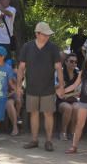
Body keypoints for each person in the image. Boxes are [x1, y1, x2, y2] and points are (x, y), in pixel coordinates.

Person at [18, 21, 65, 152]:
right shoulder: (27, 47)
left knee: (48, 114)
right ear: (37, 34)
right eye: (45, 34)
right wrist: (18, 86)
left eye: (48, 34)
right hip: (31, 87)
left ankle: (48, 141)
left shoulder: (53, 48)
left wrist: (61, 86)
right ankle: (34, 140)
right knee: (33, 114)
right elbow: (21, 67)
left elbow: (59, 68)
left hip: (48, 88)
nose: (47, 36)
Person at [57, 53, 80, 140]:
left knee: (77, 108)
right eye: (71, 61)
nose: (74, 64)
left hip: (73, 99)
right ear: (66, 62)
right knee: (68, 108)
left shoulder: (78, 74)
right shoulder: (60, 73)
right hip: (60, 101)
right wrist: (68, 94)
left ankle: (72, 132)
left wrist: (68, 95)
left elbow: (79, 92)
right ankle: (63, 132)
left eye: (75, 62)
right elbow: (59, 93)